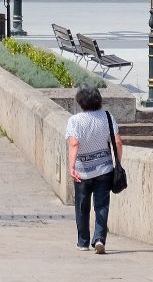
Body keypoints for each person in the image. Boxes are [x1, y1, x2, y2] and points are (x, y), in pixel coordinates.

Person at [65, 85, 123, 254]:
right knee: (101, 206)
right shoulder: (107, 116)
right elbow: (118, 142)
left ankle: (83, 242)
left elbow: (74, 143)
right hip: (104, 169)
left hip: (82, 171)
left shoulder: (75, 120)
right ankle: (99, 239)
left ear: (80, 102)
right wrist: (117, 163)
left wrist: (71, 166)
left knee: (82, 207)